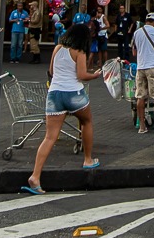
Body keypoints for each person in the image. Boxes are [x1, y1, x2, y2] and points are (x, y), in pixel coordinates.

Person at [21, 23, 100, 193]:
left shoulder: (57, 48)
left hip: (55, 94)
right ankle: (87, 159)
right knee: (86, 121)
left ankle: (35, 176)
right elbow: (82, 76)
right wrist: (96, 75)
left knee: (49, 137)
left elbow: (51, 71)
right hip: (73, 94)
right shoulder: (80, 51)